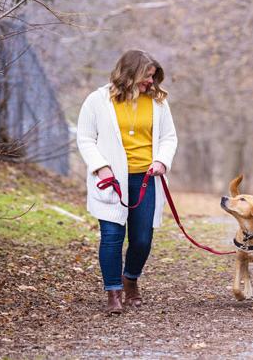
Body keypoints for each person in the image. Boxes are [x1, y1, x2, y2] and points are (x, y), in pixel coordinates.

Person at [76, 49, 178, 314]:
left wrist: (161, 161)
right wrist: (101, 168)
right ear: (129, 73)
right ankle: (113, 293)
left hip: (146, 178)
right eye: (146, 76)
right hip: (112, 180)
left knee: (142, 239)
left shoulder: (158, 102)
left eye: (153, 77)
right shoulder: (97, 100)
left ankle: (130, 278)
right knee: (111, 236)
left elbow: (169, 137)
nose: (150, 82)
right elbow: (85, 138)